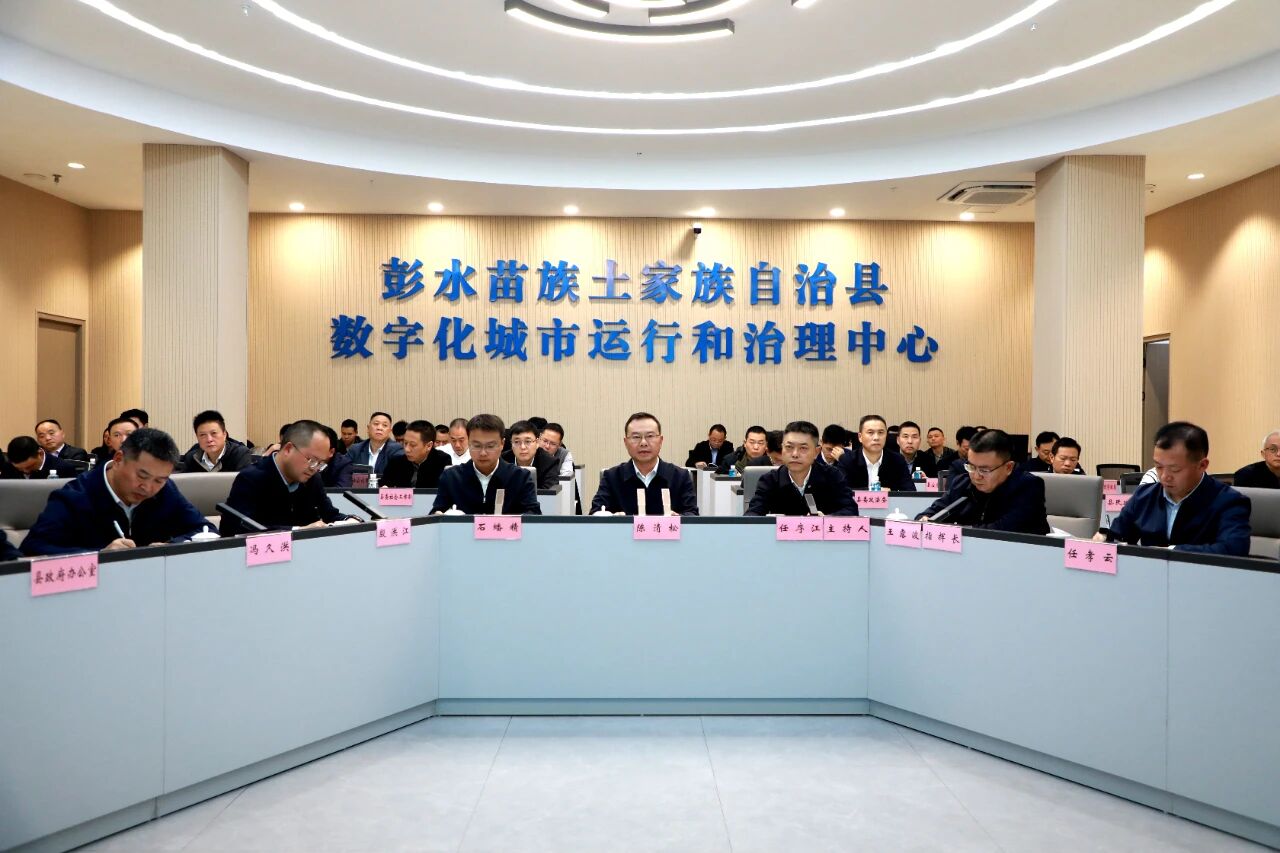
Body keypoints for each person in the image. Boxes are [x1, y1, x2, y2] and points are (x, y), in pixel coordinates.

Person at [21, 428, 209, 556]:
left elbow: (205, 530)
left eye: (159, 480)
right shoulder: (76, 496)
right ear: (119, 459)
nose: (148, 487)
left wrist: (172, 546)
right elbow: (32, 549)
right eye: (142, 475)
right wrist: (100, 555)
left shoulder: (165, 489)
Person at [1097, 422, 1251, 555]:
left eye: (1175, 469)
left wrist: (1171, 552)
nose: (1164, 476)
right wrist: (1103, 540)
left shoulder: (1229, 501)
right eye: (1158, 467)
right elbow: (1118, 536)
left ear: (1202, 465)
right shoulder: (1144, 495)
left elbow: (1233, 549)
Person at [220, 420, 357, 536]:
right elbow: (237, 528)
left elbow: (329, 514)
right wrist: (297, 531)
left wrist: (350, 520)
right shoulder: (251, 478)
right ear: (288, 449)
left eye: (320, 464)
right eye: (312, 460)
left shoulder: (313, 479)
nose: (315, 468)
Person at [917, 429, 1050, 534]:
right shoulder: (962, 483)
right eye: (971, 466)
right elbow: (931, 512)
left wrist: (953, 531)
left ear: (1008, 467)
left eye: (984, 470)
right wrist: (924, 520)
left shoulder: (1029, 486)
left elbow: (1003, 530)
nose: (976, 476)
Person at [591, 412, 698, 516]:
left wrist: (679, 518)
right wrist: (612, 518)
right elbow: (595, 513)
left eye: (650, 436)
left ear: (661, 440)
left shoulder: (680, 476)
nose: (643, 443)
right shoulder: (612, 477)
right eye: (636, 437)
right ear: (626, 442)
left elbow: (692, 514)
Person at [431, 414, 540, 515]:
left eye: (490, 446)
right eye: (477, 446)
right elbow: (436, 514)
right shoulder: (451, 477)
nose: (483, 453)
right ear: (468, 443)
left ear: (502, 444)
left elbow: (533, 516)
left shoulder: (520, 477)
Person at [745, 421, 858, 517]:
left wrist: (826, 520)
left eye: (803, 448)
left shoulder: (833, 476)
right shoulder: (770, 480)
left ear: (816, 452)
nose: (795, 454)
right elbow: (752, 515)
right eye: (789, 447)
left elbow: (851, 511)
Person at [838, 415, 911, 491]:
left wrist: (891, 494)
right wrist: (873, 491)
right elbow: (841, 491)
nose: (876, 437)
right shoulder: (847, 460)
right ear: (860, 437)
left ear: (886, 436)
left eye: (881, 432)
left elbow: (910, 492)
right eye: (870, 432)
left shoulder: (897, 460)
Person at [180, 410, 253, 473]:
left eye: (214, 433)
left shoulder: (240, 454)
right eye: (203, 435)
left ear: (224, 434)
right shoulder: (191, 458)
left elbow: (244, 483)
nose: (209, 439)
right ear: (197, 437)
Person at [383, 420, 450, 488]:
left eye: (412, 445)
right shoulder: (396, 462)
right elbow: (384, 485)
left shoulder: (442, 460)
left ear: (429, 446)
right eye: (405, 443)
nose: (406, 449)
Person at [501, 420, 560, 489]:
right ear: (511, 444)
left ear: (537, 443)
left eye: (528, 441)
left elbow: (548, 492)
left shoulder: (549, 462)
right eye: (517, 442)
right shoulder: (502, 460)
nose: (523, 447)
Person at [346, 412, 404, 477]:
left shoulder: (396, 450)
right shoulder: (355, 449)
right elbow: (343, 471)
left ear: (390, 431)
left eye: (384, 425)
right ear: (368, 428)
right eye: (376, 424)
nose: (379, 428)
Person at [1, 436, 80, 479]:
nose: (26, 471)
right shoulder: (8, 467)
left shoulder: (63, 468)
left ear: (40, 453)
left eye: (30, 466)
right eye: (20, 469)